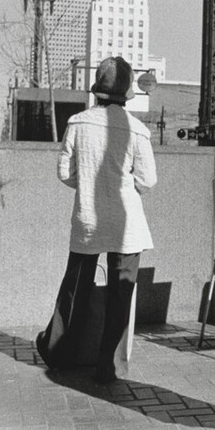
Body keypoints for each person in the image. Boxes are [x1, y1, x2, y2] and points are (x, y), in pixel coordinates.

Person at [36, 56, 157, 383]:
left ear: (97, 90)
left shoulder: (77, 123)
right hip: (126, 222)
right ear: (127, 92)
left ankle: (59, 352)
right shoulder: (138, 130)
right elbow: (148, 180)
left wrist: (89, 184)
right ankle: (110, 366)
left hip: (87, 218)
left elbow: (65, 172)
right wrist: (124, 185)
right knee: (121, 294)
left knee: (75, 288)